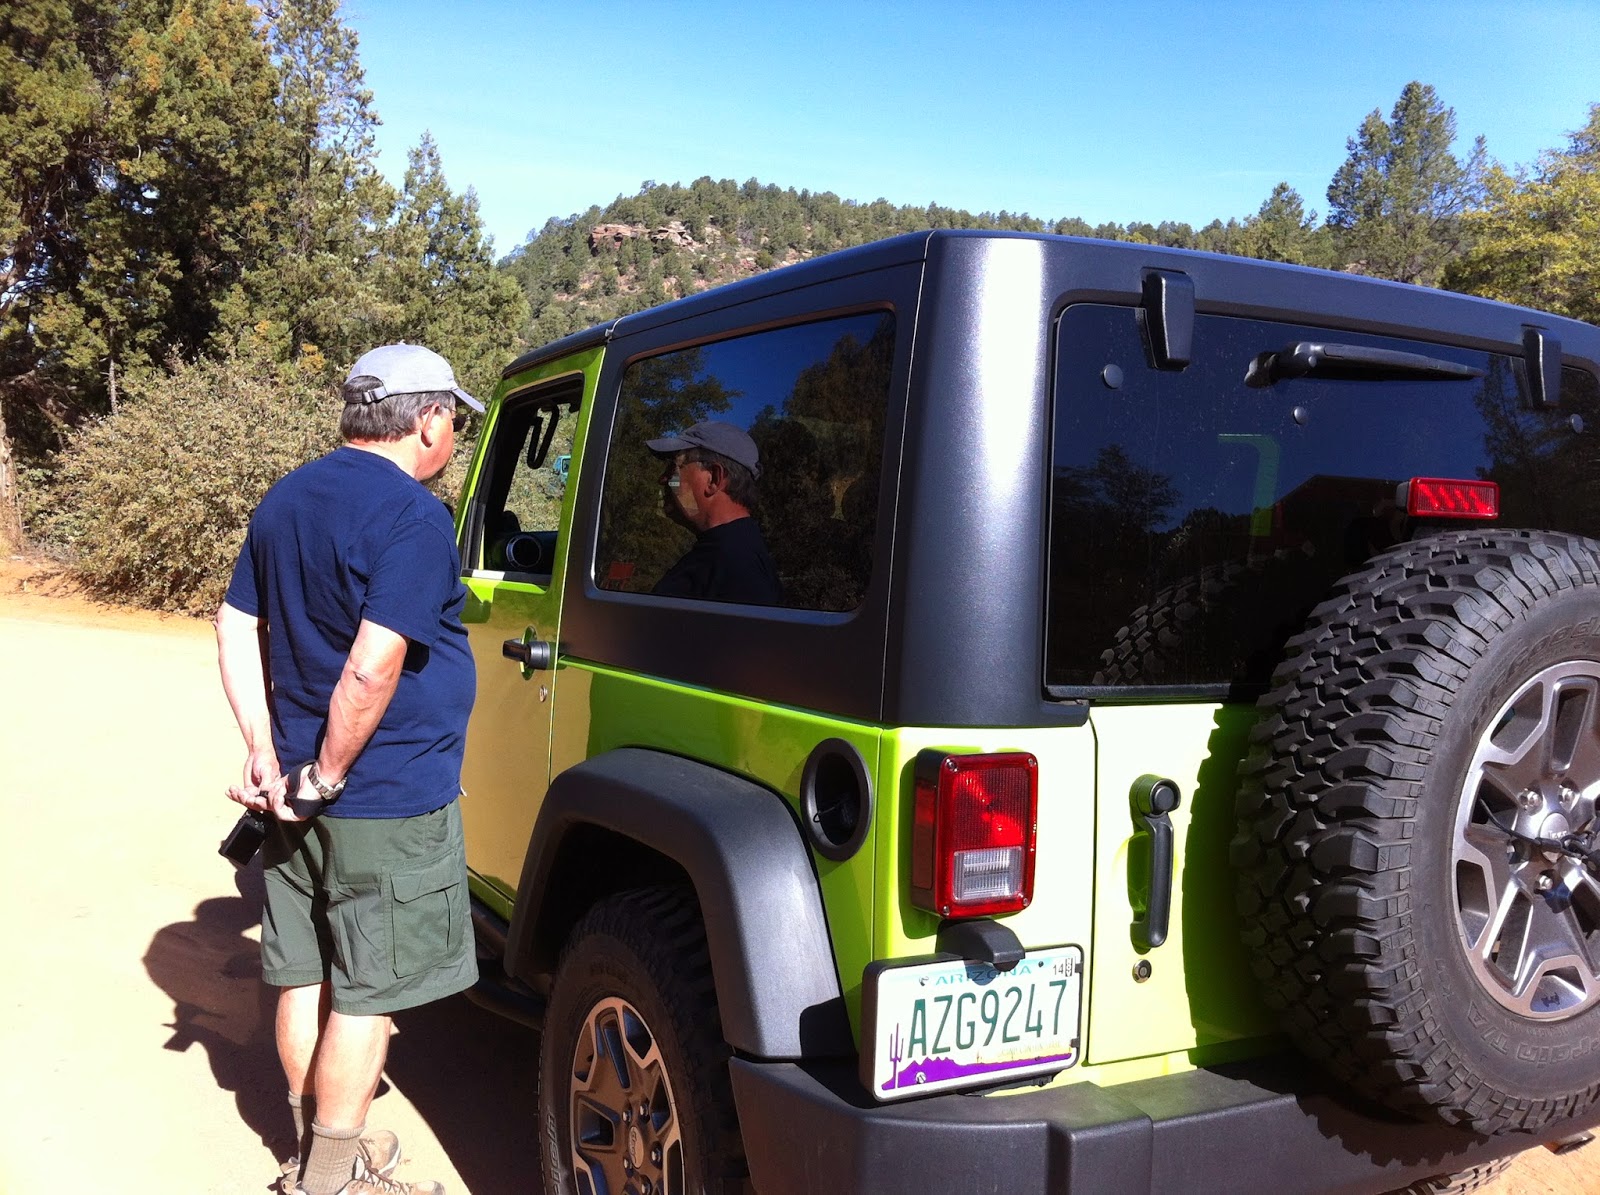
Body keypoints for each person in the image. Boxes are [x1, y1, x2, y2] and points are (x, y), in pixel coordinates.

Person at [215, 344, 482, 1195]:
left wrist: (264, 750)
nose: (454, 436)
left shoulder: (287, 497)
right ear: (428, 419)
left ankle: (317, 1151)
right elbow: (371, 669)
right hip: (381, 798)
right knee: (367, 994)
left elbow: (233, 623)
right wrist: (328, 775)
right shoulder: (413, 517)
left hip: (291, 790)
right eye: (455, 419)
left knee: (303, 972)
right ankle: (330, 1181)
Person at [646, 419, 782, 605]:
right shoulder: (728, 553)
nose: (663, 479)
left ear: (714, 479)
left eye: (674, 469)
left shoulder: (737, 566)